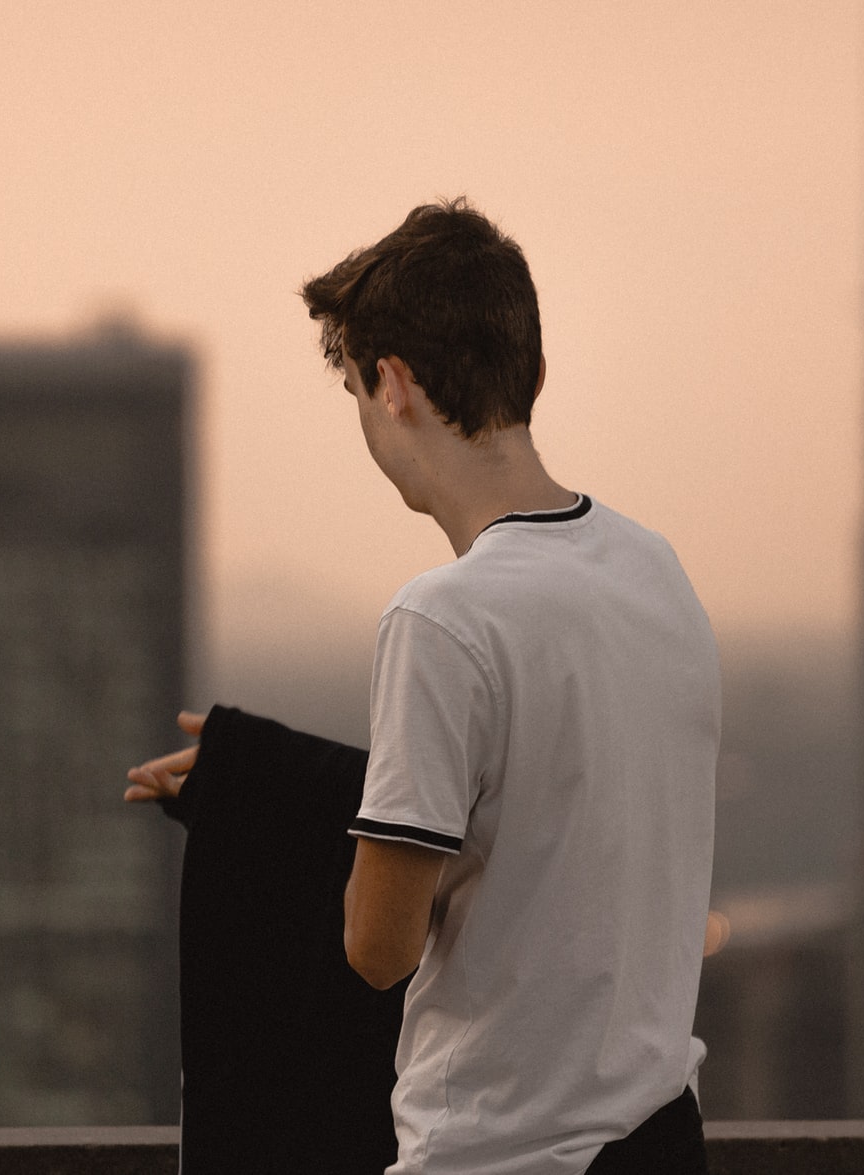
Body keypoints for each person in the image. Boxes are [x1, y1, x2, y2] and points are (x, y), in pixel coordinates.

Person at [128, 199, 718, 1174]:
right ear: (532, 371)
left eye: (358, 392)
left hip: (502, 1156)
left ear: (393, 386)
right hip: (655, 1140)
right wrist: (281, 779)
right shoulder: (656, 574)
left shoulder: (441, 620)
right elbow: (557, 806)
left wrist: (273, 807)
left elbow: (378, 946)